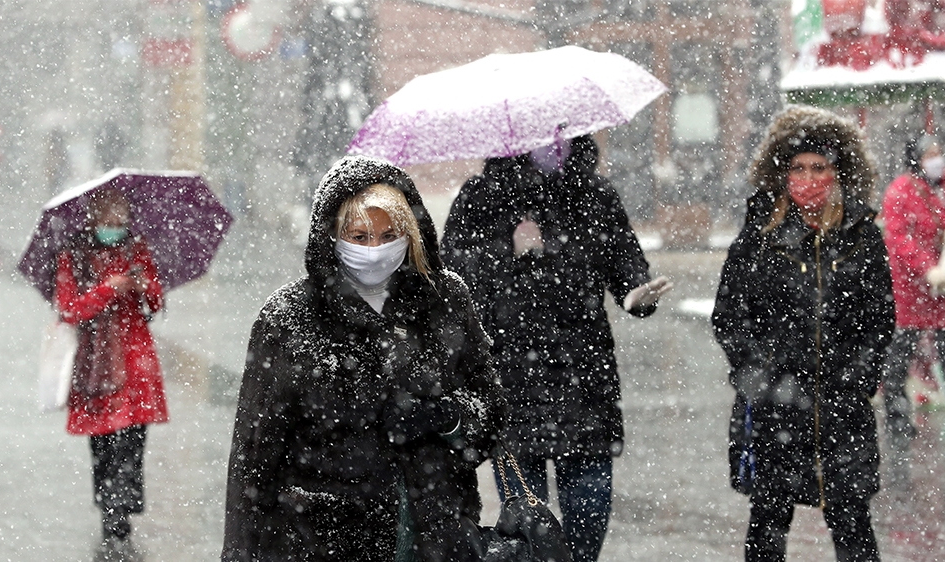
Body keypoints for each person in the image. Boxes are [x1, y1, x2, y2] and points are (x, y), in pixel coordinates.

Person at [222, 155, 505, 562]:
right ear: (333, 236)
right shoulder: (288, 318)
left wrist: (446, 417)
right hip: (322, 544)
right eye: (359, 236)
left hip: (438, 538)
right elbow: (254, 459)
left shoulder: (444, 301)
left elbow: (491, 412)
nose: (376, 250)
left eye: (389, 234)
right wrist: (241, 552)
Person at [440, 134, 672, 562]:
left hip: (585, 386)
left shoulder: (595, 195)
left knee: (589, 520)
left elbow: (627, 267)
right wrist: (507, 250)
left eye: (558, 129)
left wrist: (637, 295)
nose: (551, 140)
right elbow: (452, 283)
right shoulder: (481, 197)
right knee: (528, 534)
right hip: (512, 390)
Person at [712, 105, 894, 562]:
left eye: (818, 167)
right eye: (798, 168)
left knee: (852, 521)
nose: (808, 178)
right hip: (775, 408)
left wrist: (859, 375)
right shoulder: (759, 235)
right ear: (783, 173)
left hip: (842, 408)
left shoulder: (860, 234)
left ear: (837, 172)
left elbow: (879, 317)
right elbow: (729, 314)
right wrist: (757, 374)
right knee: (768, 521)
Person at [54, 189, 167, 551]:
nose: (115, 227)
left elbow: (156, 301)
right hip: (96, 365)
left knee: (132, 440)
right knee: (103, 442)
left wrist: (143, 285)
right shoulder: (74, 255)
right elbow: (70, 310)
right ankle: (111, 510)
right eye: (108, 220)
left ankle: (121, 509)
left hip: (136, 362)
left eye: (121, 220)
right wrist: (108, 289)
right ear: (93, 219)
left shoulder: (136, 249)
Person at [880, 134, 945, 470]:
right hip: (910, 292)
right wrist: (927, 268)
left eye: (939, 152)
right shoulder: (900, 192)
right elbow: (899, 240)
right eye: (930, 154)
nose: (937, 160)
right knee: (898, 360)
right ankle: (897, 419)